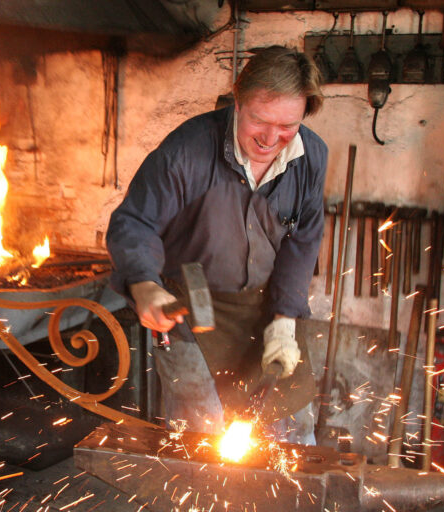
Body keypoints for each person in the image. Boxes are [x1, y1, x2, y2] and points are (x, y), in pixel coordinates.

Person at [106, 46, 327, 443]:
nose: (270, 138)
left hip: (267, 311)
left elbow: (303, 243)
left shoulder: (310, 157)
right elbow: (135, 222)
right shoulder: (187, 151)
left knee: (291, 441)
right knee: (204, 443)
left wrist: (285, 320)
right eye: (259, 120)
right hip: (191, 315)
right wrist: (144, 284)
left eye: (287, 126)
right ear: (238, 104)